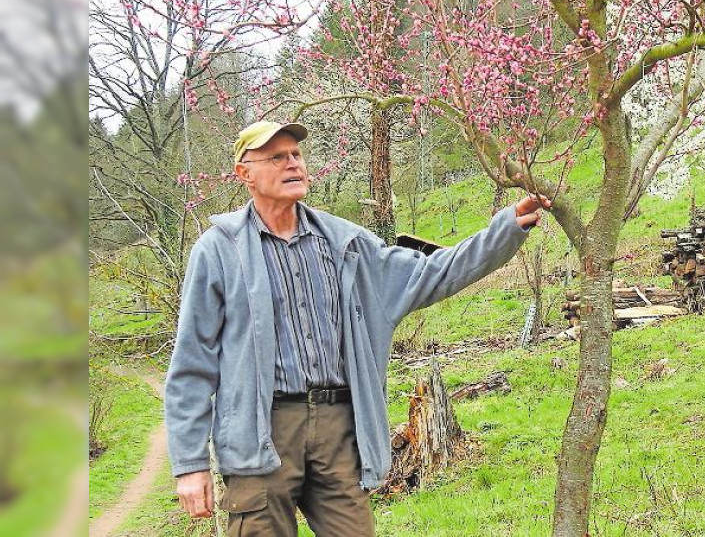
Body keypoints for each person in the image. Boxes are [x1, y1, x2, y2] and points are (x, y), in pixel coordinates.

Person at [164, 121, 547, 535]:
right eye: (277, 157)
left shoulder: (345, 242)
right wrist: (190, 465)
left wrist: (505, 231)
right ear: (245, 174)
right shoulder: (220, 250)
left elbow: (432, 273)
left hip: (338, 426)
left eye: (296, 154)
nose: (293, 164)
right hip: (259, 431)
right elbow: (192, 363)